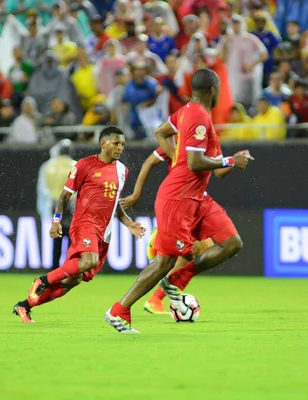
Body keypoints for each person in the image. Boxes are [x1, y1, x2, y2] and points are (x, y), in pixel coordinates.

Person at [105, 69, 254, 333]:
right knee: (164, 260)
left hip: (198, 198)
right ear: (213, 89)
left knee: (232, 243)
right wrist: (223, 160)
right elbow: (196, 162)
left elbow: (164, 135)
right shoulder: (197, 116)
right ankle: (119, 310)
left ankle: (177, 280)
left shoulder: (189, 113)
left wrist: (232, 159)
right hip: (178, 198)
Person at [14, 126, 146, 323]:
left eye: (123, 144)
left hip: (104, 231)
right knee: (89, 260)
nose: (120, 148)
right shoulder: (84, 165)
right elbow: (65, 195)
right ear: (103, 144)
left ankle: (25, 305)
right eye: (116, 143)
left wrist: (128, 223)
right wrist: (56, 221)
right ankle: (43, 280)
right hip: (84, 224)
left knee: (72, 281)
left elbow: (114, 203)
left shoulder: (122, 171)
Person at [119, 146, 215, 314]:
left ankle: (156, 298)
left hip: (196, 200)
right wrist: (135, 194)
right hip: (179, 201)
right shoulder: (178, 141)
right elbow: (149, 161)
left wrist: (228, 162)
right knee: (192, 251)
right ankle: (153, 298)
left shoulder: (205, 140)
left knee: (200, 250)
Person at [36, 139, 77, 270]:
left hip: (55, 206)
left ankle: (54, 267)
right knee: (71, 237)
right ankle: (70, 266)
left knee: (57, 239)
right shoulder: (75, 166)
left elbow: (43, 189)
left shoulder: (49, 166)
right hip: (70, 206)